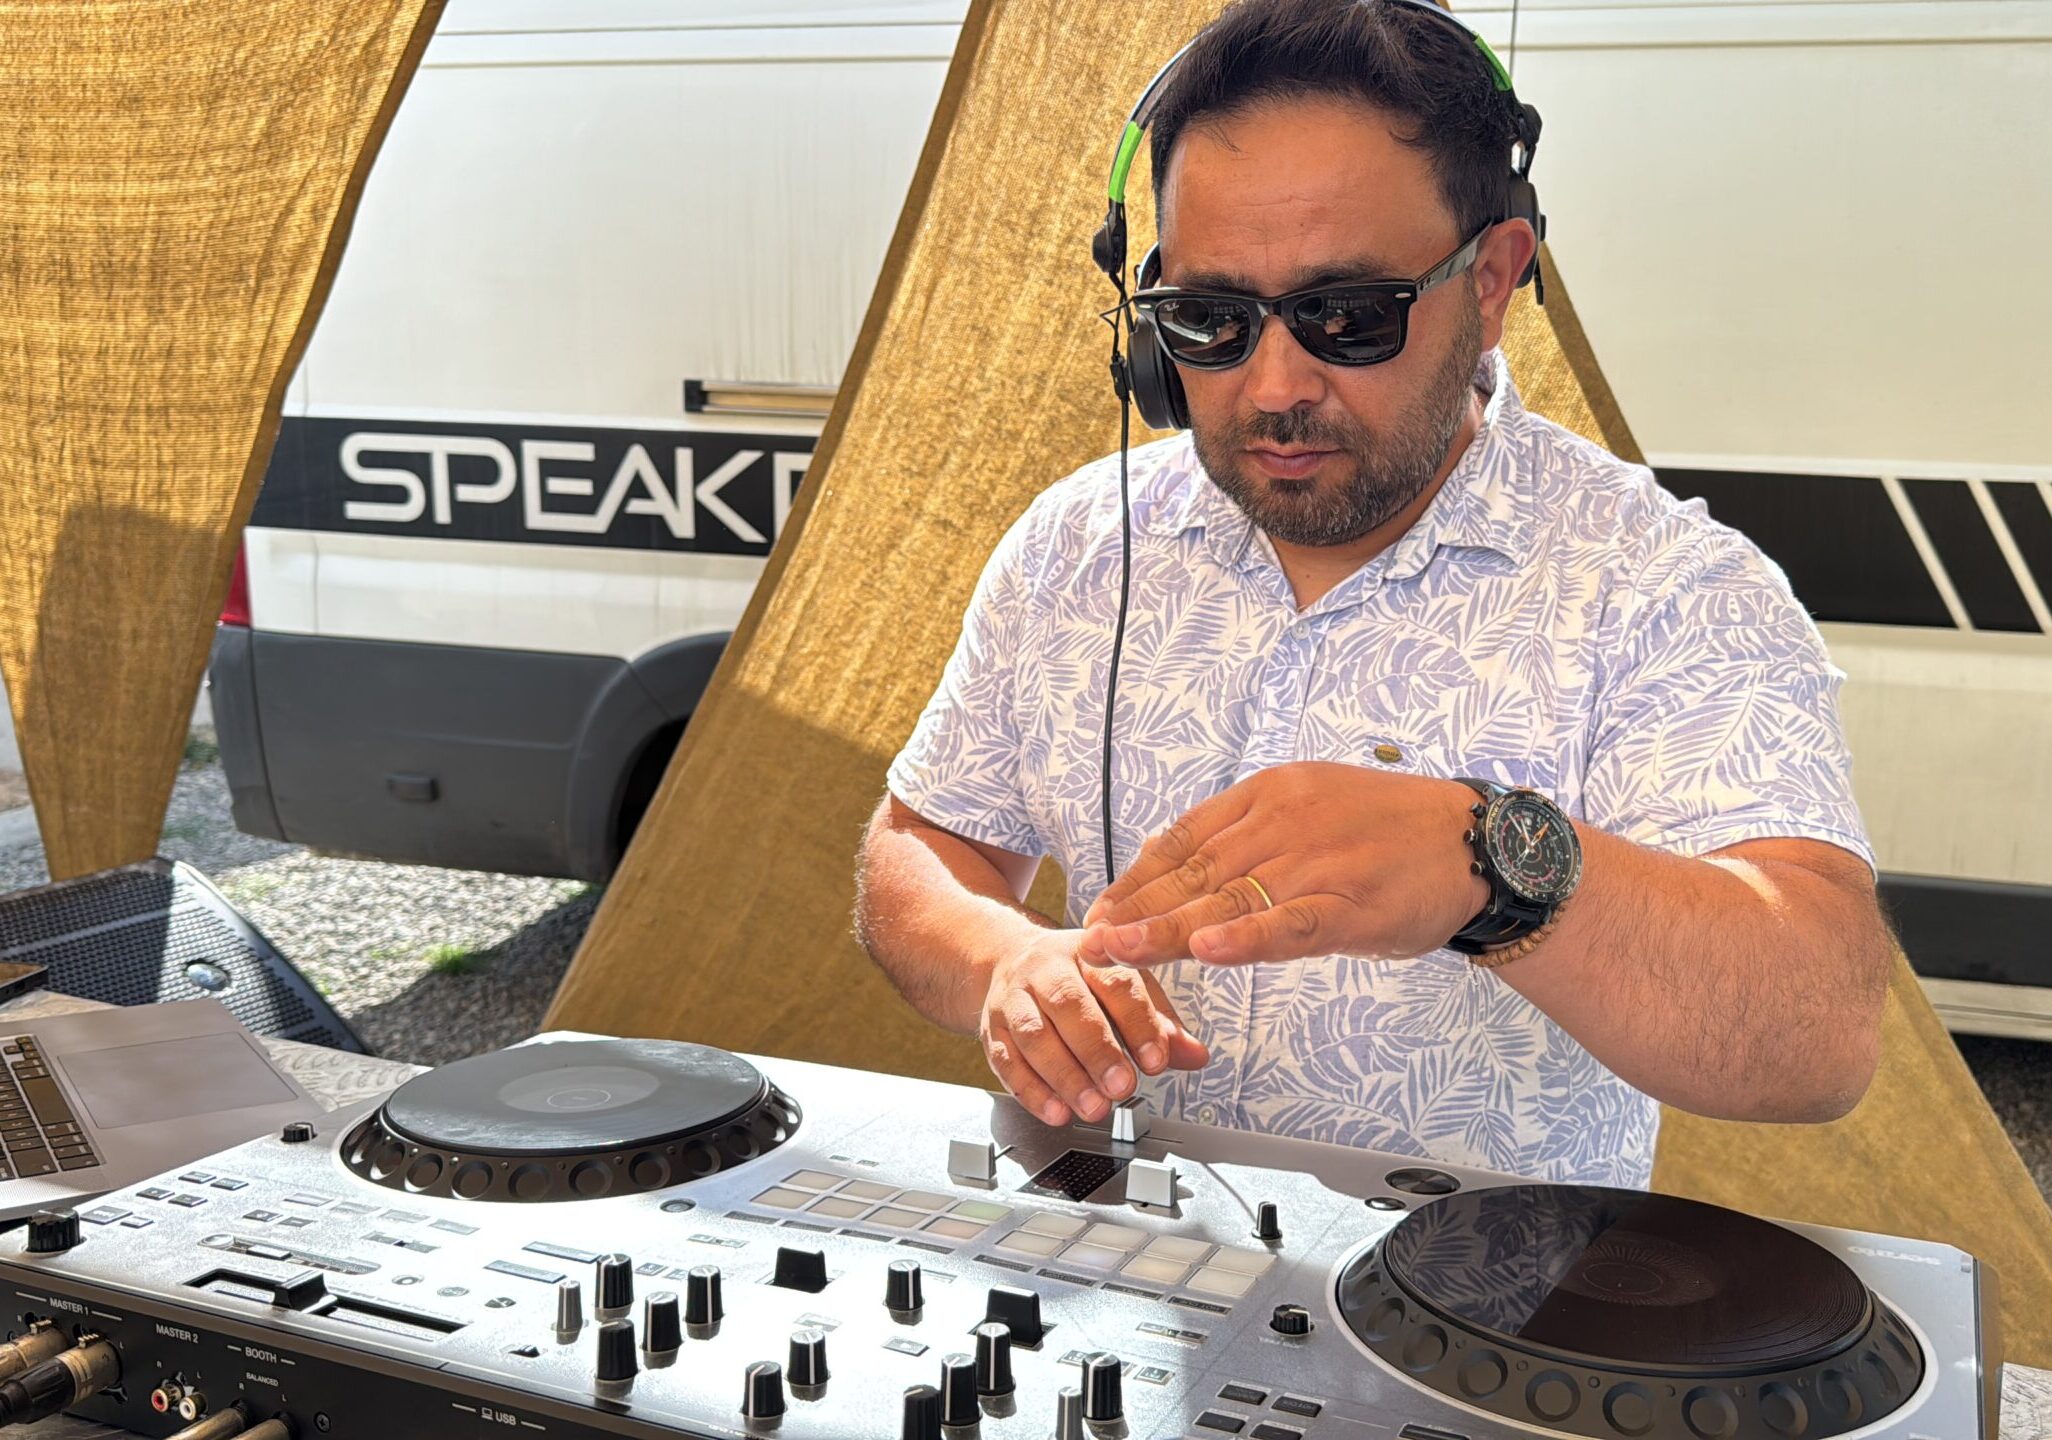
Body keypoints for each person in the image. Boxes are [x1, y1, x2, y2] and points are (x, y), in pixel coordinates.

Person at [853, 0, 1892, 1187]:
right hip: (1119, 1281)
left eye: (1346, 316)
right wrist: (1003, 963)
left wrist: (1494, 867)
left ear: (1493, 280)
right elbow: (921, 848)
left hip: (1487, 1302)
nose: (1273, 387)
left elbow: (1821, 1031)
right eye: (1209, 320)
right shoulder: (1076, 547)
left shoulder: (1667, 590)